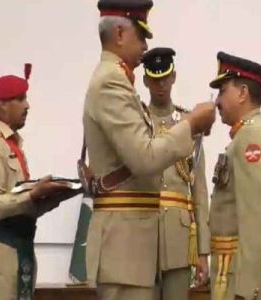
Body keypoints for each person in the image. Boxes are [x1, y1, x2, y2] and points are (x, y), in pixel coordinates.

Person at [83, 1, 216, 300]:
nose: (145, 45)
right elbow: (144, 157)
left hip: (138, 246)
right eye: (140, 35)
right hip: (125, 247)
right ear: (119, 33)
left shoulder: (115, 80)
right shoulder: (110, 82)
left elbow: (198, 191)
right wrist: (192, 123)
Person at [0, 64, 75, 300]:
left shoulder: (14, 147)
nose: (27, 105)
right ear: (3, 104)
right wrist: (32, 194)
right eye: (20, 99)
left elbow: (21, 205)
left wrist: (55, 196)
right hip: (2, 250)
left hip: (22, 247)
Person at [208, 52, 261, 300]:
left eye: (222, 91)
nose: (217, 102)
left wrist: (245, 290)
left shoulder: (252, 138)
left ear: (242, 93)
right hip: (231, 270)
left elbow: (257, 220)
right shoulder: (243, 137)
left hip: (242, 280)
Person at [141, 47, 210, 300]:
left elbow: (200, 193)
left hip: (180, 237)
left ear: (174, 77)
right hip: (142, 232)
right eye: (155, 79)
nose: (161, 85)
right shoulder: (135, 122)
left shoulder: (190, 125)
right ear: (146, 80)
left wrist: (203, 251)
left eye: (165, 78)